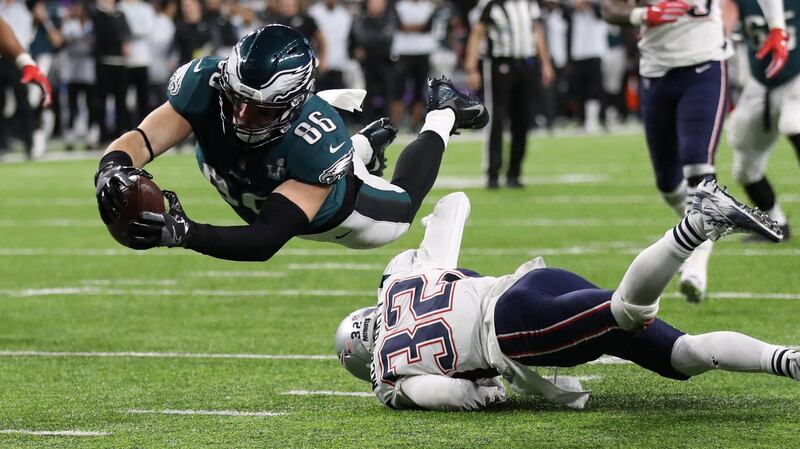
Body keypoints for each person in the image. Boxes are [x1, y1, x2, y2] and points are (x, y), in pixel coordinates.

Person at [335, 181, 788, 411]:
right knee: (680, 357)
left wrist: (487, 388)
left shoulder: (389, 375)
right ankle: (787, 359)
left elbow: (460, 395)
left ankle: (696, 226)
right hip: (530, 284)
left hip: (517, 329)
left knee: (627, 312)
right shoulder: (399, 282)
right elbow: (455, 203)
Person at [93, 25, 489, 261]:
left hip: (338, 213)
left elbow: (267, 238)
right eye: (237, 101)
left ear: (292, 105)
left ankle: (443, 112)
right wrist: (111, 167)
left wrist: (186, 234)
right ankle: (364, 147)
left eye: (262, 110)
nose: (242, 118)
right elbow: (141, 140)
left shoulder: (313, 143)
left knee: (403, 207)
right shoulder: (205, 84)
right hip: (270, 178)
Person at [601, 0, 788, 302]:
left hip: (705, 65)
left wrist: (777, 27)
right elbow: (609, 9)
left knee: (697, 168)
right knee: (667, 183)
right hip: (655, 71)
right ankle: (701, 224)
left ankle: (696, 265)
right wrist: (644, 14)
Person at [723, 0, 798, 242]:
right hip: (760, 83)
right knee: (744, 168)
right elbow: (725, 23)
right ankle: (776, 222)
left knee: (793, 123)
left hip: (796, 76)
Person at [464, 0, 555, 189]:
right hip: (499, 64)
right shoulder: (491, 4)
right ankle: (492, 173)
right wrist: (471, 68)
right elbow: (477, 33)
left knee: (523, 118)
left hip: (526, 64)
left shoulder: (530, 4)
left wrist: (545, 63)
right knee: (496, 118)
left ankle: (515, 172)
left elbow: (537, 32)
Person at [0, 12, 51, 157]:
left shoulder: (21, 10)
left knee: (24, 102)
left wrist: (27, 63)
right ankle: (2, 144)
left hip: (11, 59)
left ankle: (29, 144)